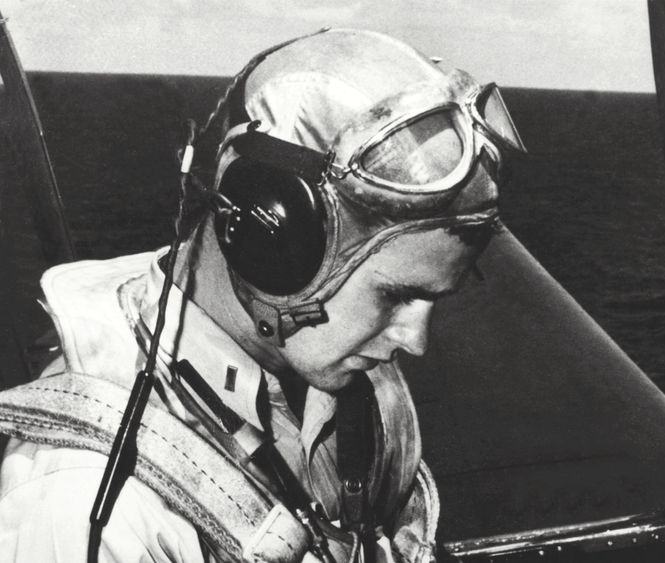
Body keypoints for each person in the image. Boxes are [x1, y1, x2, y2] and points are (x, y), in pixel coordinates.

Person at [0, 28, 524, 562]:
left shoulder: (326, 381)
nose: (415, 342)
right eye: (394, 295)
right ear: (271, 239)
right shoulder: (90, 507)